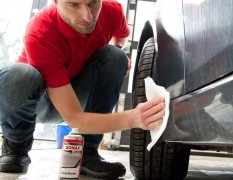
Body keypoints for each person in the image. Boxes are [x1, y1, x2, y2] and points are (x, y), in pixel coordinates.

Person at [0, 0, 165, 179]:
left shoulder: (112, 11)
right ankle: (16, 146)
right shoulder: (40, 31)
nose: (88, 16)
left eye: (93, 3)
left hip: (78, 95)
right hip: (37, 102)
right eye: (74, 4)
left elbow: (121, 37)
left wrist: (117, 53)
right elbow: (74, 118)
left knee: (116, 56)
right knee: (19, 75)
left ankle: (87, 152)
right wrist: (133, 118)